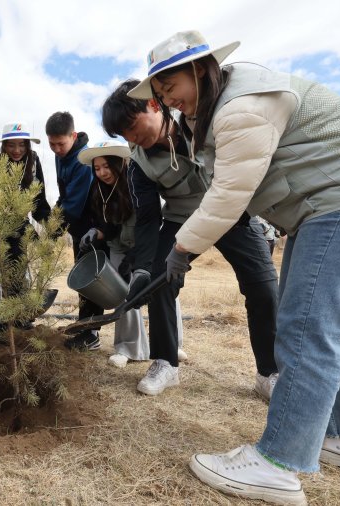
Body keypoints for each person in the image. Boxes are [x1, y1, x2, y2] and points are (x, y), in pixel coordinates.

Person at [131, 30, 340, 503]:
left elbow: (229, 194)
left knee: (305, 328)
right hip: (328, 202)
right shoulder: (227, 101)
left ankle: (278, 461)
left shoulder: (240, 108)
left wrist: (180, 251)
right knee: (322, 328)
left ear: (200, 69)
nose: (167, 100)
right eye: (159, 94)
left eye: (169, 87)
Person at [103, 79, 279, 398]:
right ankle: (165, 363)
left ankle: (269, 372)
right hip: (182, 220)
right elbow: (147, 219)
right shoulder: (139, 166)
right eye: (123, 135)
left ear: (154, 105)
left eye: (132, 125)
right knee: (160, 279)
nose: (132, 138)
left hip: (230, 213)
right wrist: (143, 269)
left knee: (264, 286)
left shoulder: (203, 123)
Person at [71, 141, 151, 366]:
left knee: (162, 291)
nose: (102, 173)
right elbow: (111, 225)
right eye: (97, 168)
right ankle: (128, 347)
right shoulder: (99, 190)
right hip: (118, 246)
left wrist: (135, 257)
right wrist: (96, 232)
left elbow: (148, 223)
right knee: (123, 292)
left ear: (118, 163)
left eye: (107, 166)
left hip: (145, 245)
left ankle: (173, 345)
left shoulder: (135, 182)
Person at [45, 112, 105, 350]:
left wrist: (52, 231)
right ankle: (84, 330)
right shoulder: (63, 156)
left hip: (93, 228)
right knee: (83, 279)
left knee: (89, 281)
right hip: (78, 228)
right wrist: (52, 218)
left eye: (61, 143)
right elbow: (64, 195)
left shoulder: (82, 160)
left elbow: (74, 206)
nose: (57, 149)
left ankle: (90, 334)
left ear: (74, 135)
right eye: (52, 144)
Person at [0, 122, 52, 334]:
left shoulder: (33, 163)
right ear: (4, 146)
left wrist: (50, 225)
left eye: (22, 145)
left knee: (20, 272)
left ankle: (19, 318)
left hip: (20, 224)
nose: (17, 150)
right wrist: (25, 226)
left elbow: (38, 200)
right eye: (11, 145)